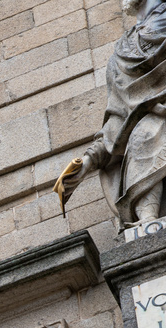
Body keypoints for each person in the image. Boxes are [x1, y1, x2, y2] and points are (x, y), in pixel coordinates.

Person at [58, 0, 166, 226]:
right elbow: (117, 123)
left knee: (148, 130)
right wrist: (87, 162)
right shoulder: (122, 54)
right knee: (143, 132)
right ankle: (148, 221)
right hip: (151, 127)